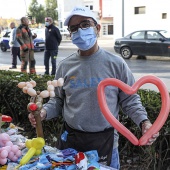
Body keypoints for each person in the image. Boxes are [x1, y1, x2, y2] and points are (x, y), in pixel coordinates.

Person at [28, 6, 159, 169]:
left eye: (85, 24)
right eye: (74, 28)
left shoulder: (116, 64)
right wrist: (44, 113)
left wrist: (144, 122)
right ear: (70, 34)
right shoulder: (65, 66)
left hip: (105, 142)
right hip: (71, 141)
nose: (80, 31)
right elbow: (58, 101)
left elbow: (130, 100)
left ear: (97, 28)